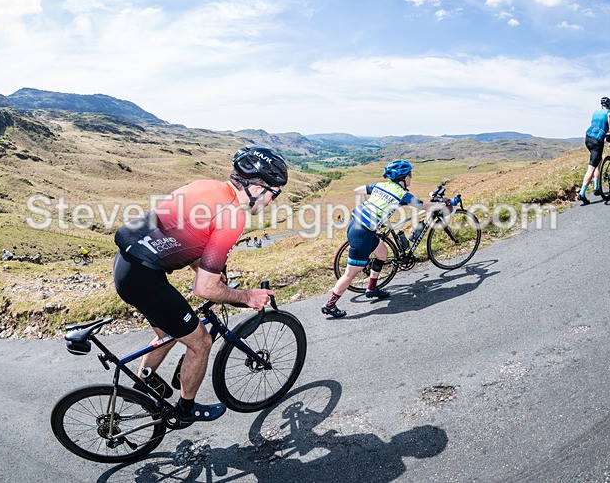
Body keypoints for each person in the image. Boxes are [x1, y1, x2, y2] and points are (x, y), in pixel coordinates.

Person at [112, 145, 287, 424]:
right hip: (144, 279)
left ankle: (144, 379)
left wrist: (210, 270)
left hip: (126, 266)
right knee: (201, 341)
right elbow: (204, 290)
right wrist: (247, 296)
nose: (273, 200)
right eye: (274, 193)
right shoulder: (233, 216)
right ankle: (186, 409)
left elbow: (189, 237)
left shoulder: (206, 186)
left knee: (171, 332)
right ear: (258, 187)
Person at [322, 160, 449, 318]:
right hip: (363, 233)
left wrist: (368, 210)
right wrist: (443, 206)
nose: (411, 177)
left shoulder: (380, 185)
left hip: (356, 225)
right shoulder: (402, 194)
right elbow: (423, 206)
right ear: (402, 178)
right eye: (410, 175)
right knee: (350, 274)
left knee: (382, 253)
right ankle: (330, 305)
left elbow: (358, 190)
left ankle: (372, 288)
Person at [578, 97, 610, 205]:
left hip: (588, 138)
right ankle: (582, 193)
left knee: (598, 161)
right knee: (591, 167)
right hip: (597, 141)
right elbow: (609, 116)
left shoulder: (596, 112)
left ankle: (596, 187)